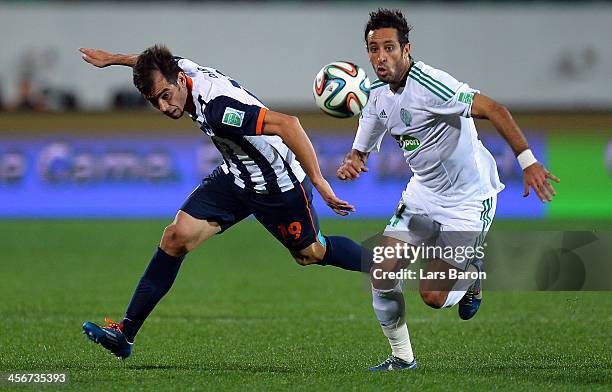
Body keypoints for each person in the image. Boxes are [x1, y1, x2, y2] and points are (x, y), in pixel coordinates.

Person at [79, 45, 371, 359]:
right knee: (175, 238)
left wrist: (320, 183)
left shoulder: (218, 109)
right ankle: (125, 334)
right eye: (154, 102)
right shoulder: (177, 70)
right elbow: (150, 61)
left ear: (179, 80)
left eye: (165, 95)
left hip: (276, 184)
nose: (164, 107)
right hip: (236, 174)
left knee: (310, 253)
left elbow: (289, 124)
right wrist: (113, 60)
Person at [336, 9, 560, 371]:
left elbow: (494, 109)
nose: (381, 57)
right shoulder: (374, 90)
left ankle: (471, 275)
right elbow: (373, 116)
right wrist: (357, 155)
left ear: (406, 49)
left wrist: (528, 161)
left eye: (389, 47)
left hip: (468, 202)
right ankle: (402, 358)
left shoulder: (432, 85)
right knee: (383, 271)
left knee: (433, 297)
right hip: (424, 194)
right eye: (374, 49)